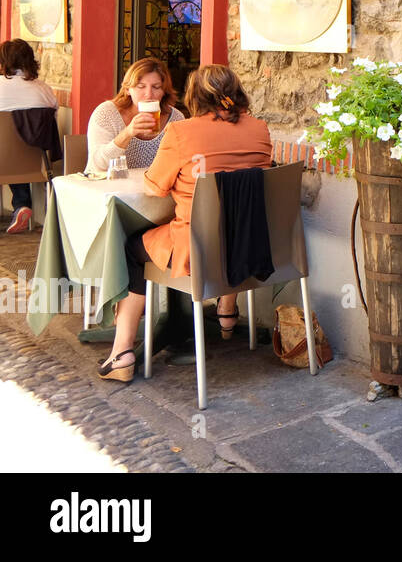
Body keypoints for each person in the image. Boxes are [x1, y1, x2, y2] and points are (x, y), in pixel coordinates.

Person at [96, 65, 273, 383]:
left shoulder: (181, 132)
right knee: (234, 214)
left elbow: (154, 187)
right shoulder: (260, 129)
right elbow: (244, 190)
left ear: (193, 97)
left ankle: (121, 352)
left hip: (197, 248)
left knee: (131, 246)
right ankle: (227, 314)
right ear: (236, 93)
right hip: (251, 244)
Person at [87, 58, 185, 173]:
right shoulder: (107, 113)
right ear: (128, 89)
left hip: (154, 188)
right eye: (141, 86)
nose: (148, 94)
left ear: (164, 92)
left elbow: (181, 165)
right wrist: (127, 133)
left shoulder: (176, 118)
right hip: (108, 187)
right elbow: (98, 166)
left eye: (156, 87)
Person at [0, 39, 58, 233]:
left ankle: (21, 204)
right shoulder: (43, 89)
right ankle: (21, 205)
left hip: (3, 160)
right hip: (36, 163)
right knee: (18, 148)